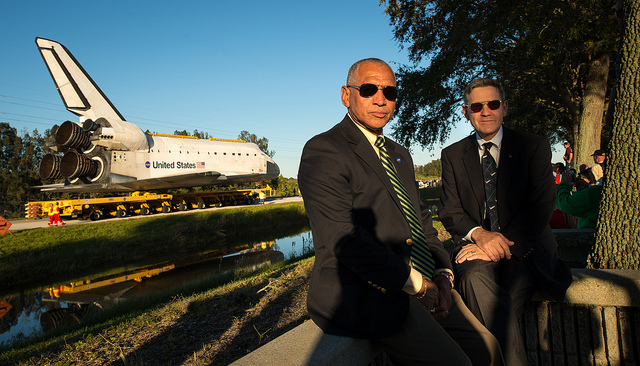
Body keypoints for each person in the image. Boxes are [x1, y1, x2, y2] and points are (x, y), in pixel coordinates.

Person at [298, 59, 503, 366]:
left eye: (390, 92)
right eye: (368, 89)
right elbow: (344, 239)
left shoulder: (399, 154)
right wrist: (417, 285)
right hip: (370, 293)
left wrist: (443, 276)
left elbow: (422, 223)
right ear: (346, 95)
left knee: (488, 349)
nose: (380, 99)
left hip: (425, 285)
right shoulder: (324, 150)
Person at [438, 78, 572, 366]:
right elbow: (450, 210)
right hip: (475, 250)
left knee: (499, 306)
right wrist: (479, 235)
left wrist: (494, 243)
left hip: (527, 251)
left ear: (505, 108)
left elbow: (540, 207)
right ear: (466, 112)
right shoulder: (452, 155)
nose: (485, 111)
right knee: (474, 278)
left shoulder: (532, 146)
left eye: (493, 104)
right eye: (477, 106)